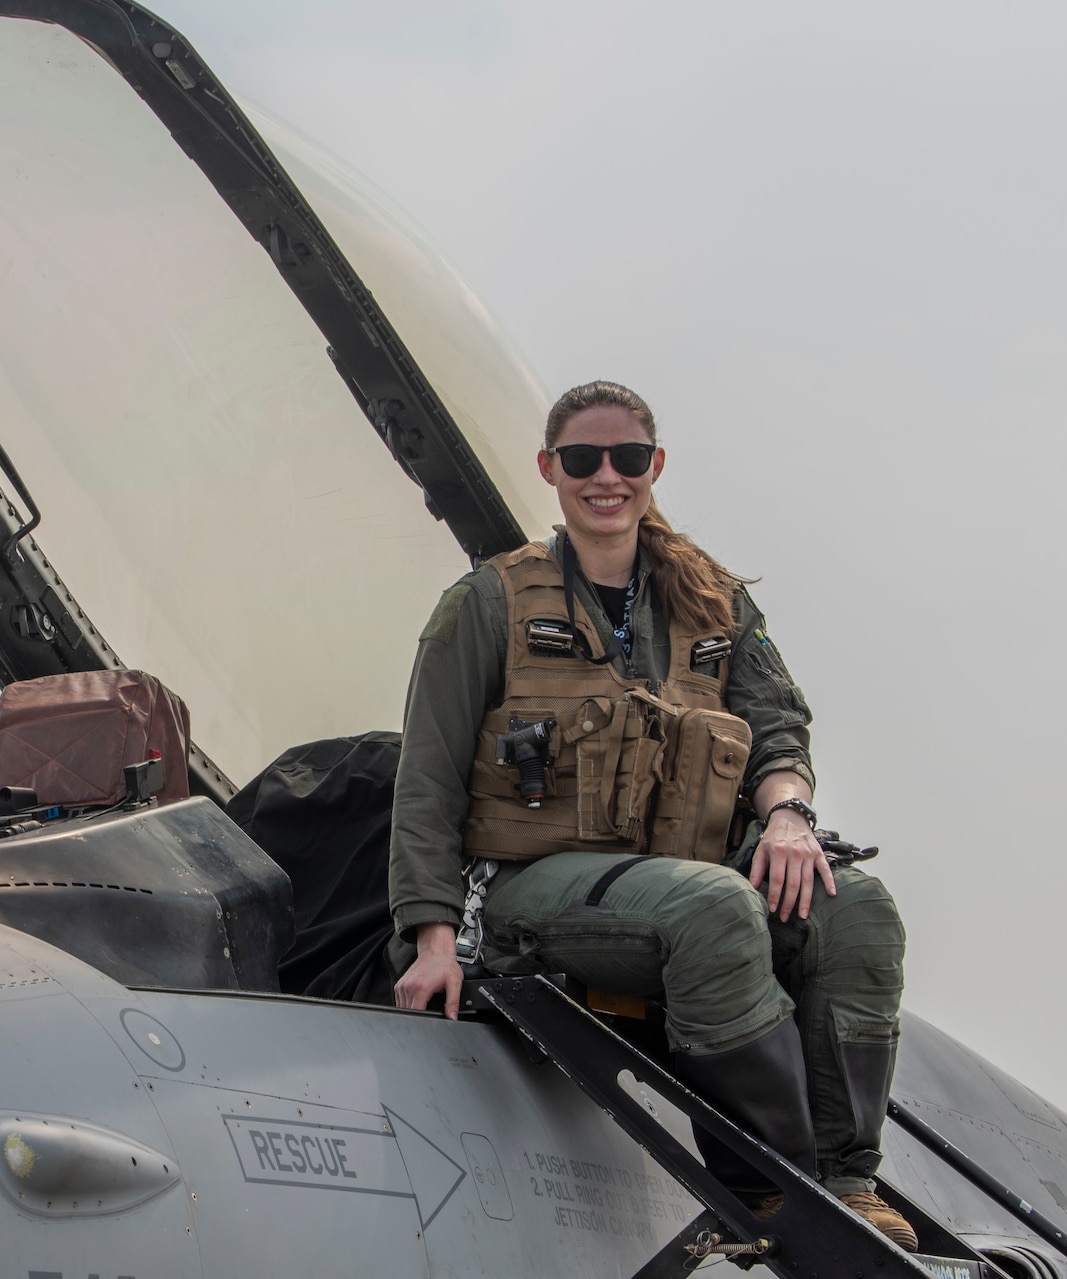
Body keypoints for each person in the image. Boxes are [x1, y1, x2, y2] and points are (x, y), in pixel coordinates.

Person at [388, 381, 914, 1250]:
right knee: (716, 909)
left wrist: (788, 818)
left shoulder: (713, 602)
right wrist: (432, 939)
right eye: (584, 459)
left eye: (627, 459)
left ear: (654, 467)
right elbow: (429, 779)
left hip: (679, 874)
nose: (607, 477)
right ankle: (776, 1184)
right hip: (532, 887)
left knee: (857, 909)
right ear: (550, 469)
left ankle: (848, 1181)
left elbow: (778, 728)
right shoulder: (489, 603)